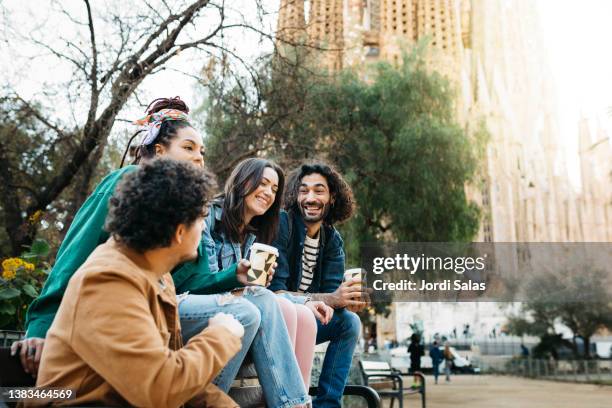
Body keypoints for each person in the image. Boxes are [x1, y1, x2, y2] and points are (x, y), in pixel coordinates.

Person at [16, 97, 310, 407]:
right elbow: (70, 262)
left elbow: (193, 288)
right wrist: (39, 329)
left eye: (201, 152)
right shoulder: (110, 267)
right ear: (158, 150)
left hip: (141, 366)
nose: (199, 159)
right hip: (81, 393)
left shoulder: (161, 279)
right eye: (188, 148)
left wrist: (232, 277)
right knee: (245, 310)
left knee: (260, 300)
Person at [32, 159, 243, 407]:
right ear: (179, 232)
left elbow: (178, 382)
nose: (203, 229)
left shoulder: (157, 276)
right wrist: (221, 334)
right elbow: (160, 389)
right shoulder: (108, 280)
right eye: (200, 220)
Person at [205, 158, 333, 390]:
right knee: (284, 308)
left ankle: (299, 402)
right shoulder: (211, 217)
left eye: (274, 189)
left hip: (247, 303)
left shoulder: (255, 234)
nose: (268, 193)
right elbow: (211, 281)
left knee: (304, 315)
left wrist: (306, 301)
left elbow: (259, 291)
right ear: (243, 181)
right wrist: (239, 278)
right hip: (214, 306)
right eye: (262, 183)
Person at [270, 162, 367, 407]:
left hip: (309, 321)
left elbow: (333, 298)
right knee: (299, 312)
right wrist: (333, 298)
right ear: (295, 195)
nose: (310, 197)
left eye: (319, 190)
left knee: (349, 322)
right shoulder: (282, 225)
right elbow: (276, 292)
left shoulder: (333, 240)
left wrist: (348, 301)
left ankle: (328, 404)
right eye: (304, 191)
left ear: (332, 197)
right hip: (279, 318)